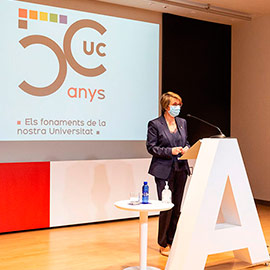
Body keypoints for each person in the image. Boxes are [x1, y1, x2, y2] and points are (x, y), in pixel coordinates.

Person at [146, 91, 190, 256]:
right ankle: (163, 243)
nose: (177, 108)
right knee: (166, 207)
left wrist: (186, 148)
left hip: (181, 169)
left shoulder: (183, 122)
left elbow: (185, 141)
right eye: (174, 105)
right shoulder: (155, 124)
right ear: (166, 106)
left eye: (179, 105)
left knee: (177, 207)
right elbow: (151, 147)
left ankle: (173, 240)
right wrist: (170, 151)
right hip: (163, 170)